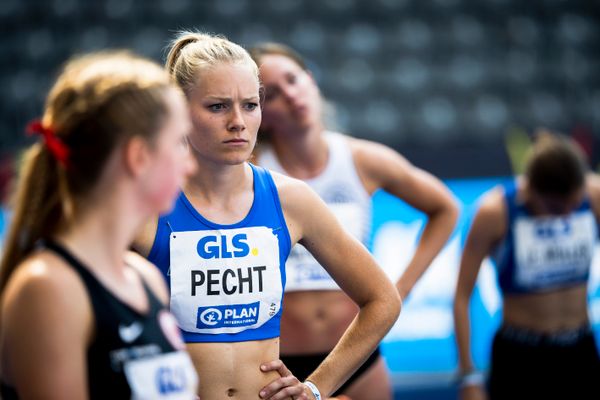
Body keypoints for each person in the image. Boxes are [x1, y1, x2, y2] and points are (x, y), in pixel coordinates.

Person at [133, 31, 401, 400]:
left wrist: (315, 387)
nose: (238, 122)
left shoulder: (292, 199)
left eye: (250, 104)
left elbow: (383, 300)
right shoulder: (144, 205)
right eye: (217, 106)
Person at [249, 42, 459, 400]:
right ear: (261, 113)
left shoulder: (362, 160)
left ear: (312, 81)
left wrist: (400, 289)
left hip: (358, 360)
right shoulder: (250, 170)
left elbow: (446, 209)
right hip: (276, 365)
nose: (292, 95)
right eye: (275, 94)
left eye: (294, 80)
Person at [0, 51, 199, 399]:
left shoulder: (145, 278)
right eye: (179, 144)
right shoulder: (49, 288)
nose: (190, 165)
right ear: (138, 157)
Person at [453, 131, 600, 400]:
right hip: (521, 358)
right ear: (531, 190)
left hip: (580, 350)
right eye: (556, 208)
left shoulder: (594, 196)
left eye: (574, 204)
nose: (567, 213)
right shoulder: (495, 212)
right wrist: (468, 376)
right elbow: (462, 295)